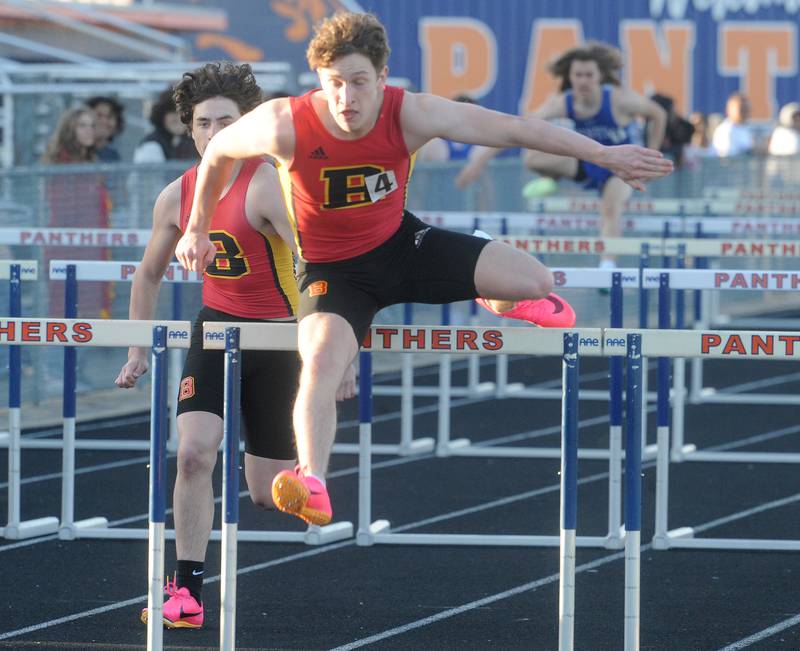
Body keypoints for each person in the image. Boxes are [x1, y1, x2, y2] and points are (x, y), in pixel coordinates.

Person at [174, 13, 672, 528]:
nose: (347, 99)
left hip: (403, 246)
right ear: (319, 83)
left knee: (537, 281)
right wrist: (197, 228)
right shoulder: (284, 123)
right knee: (320, 362)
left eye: (359, 83)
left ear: (384, 77)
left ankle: (497, 294)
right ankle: (313, 480)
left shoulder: (410, 114)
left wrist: (604, 154)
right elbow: (218, 157)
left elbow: (513, 128)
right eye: (335, 85)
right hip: (336, 275)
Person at [115, 62, 355, 630]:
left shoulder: (268, 182)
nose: (215, 131)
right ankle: (187, 591)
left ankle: (308, 476)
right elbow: (147, 274)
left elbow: (318, 264)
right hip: (216, 328)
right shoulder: (176, 196)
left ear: (247, 124)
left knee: (266, 493)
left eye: (228, 120)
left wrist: (336, 351)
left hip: (278, 337)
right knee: (195, 453)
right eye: (204, 122)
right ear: (188, 130)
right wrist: (137, 349)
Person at [456, 42, 667, 266]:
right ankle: (552, 178)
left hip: (619, 169)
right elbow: (520, 128)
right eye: (578, 75)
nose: (583, 81)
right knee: (532, 158)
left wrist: (651, 153)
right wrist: (479, 161)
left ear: (600, 77)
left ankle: (607, 265)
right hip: (589, 163)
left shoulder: (619, 99)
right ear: (570, 77)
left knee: (611, 206)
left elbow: (658, 113)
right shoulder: (564, 102)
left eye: (589, 75)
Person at [42, 106, 113, 318]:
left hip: (93, 245)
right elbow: (63, 209)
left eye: (92, 125)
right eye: (82, 126)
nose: (88, 130)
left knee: (91, 308)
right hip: (68, 247)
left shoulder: (92, 162)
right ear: (69, 130)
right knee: (67, 309)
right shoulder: (60, 163)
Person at [133, 88, 198, 163]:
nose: (179, 118)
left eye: (184, 112)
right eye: (173, 112)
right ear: (161, 115)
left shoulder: (192, 141)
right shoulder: (151, 146)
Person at [711, 92, 760, 157]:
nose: (745, 112)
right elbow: (728, 157)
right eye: (742, 109)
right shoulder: (725, 130)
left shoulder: (747, 129)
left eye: (747, 109)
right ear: (729, 109)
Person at [86, 96, 125, 162]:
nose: (104, 121)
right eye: (99, 115)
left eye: (109, 116)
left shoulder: (113, 155)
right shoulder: (76, 152)